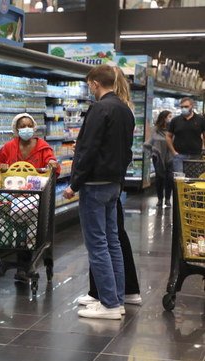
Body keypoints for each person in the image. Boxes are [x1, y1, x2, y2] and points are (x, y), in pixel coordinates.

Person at [63, 64, 135, 320]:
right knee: (112, 241)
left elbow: (88, 149)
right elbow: (127, 151)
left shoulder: (99, 109)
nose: (89, 89)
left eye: (89, 84)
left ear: (95, 83)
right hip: (114, 183)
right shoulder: (125, 109)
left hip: (94, 186)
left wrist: (74, 183)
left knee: (97, 244)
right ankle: (116, 299)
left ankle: (109, 304)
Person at [0, 112, 60, 282]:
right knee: (11, 221)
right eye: (22, 126)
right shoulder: (9, 147)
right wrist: (1, 167)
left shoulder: (42, 147)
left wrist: (52, 164)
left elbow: (53, 165)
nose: (26, 129)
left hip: (35, 199)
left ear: (34, 128)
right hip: (12, 197)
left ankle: (24, 262)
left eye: (29, 125)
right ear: (16, 129)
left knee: (31, 224)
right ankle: (23, 264)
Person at [166, 97, 205, 173]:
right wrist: (173, 152)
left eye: (186, 106)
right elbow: (168, 136)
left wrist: (203, 148)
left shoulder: (201, 120)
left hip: (195, 155)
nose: (184, 109)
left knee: (193, 179)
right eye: (182, 107)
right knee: (179, 179)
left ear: (192, 106)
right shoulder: (175, 120)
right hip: (179, 155)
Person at [149, 110, 174, 207]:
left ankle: (168, 199)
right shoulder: (155, 129)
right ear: (164, 118)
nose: (171, 118)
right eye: (169, 116)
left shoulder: (172, 129)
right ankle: (160, 199)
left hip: (170, 156)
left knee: (169, 178)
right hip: (158, 157)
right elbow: (151, 141)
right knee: (159, 178)